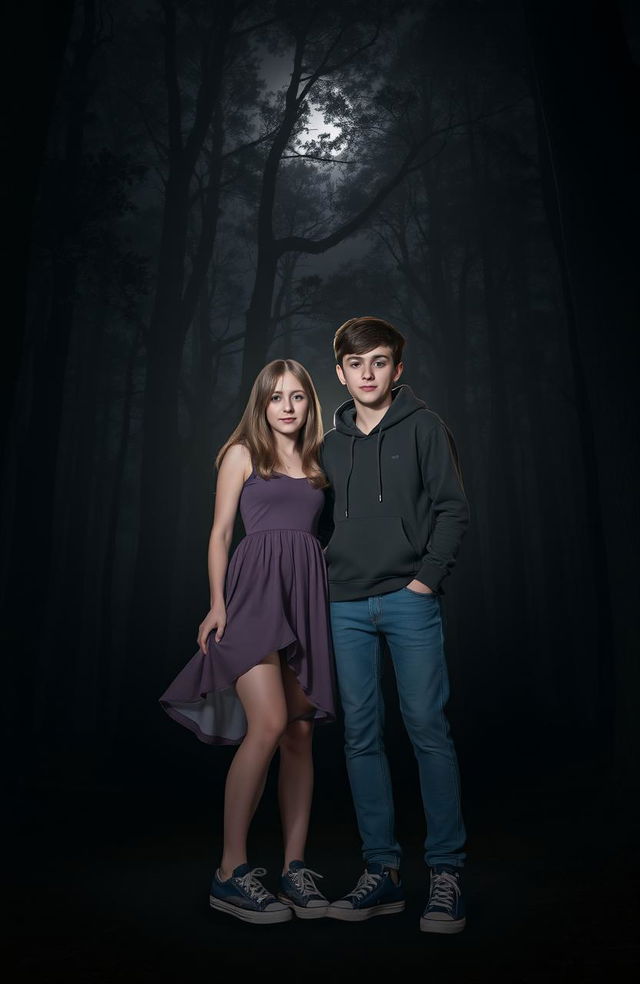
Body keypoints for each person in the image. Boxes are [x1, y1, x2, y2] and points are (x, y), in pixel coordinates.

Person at [159, 359, 336, 925]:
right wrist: (217, 603)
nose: (287, 407)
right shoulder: (242, 454)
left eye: (299, 397)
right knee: (267, 722)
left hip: (307, 597)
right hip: (254, 596)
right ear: (260, 403)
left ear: (311, 403)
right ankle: (230, 872)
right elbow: (219, 534)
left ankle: (293, 868)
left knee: (300, 734)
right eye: (276, 397)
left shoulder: (318, 462)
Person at [318, 316, 469, 933]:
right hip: (345, 604)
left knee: (427, 727)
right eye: (357, 364)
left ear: (397, 370)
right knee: (359, 735)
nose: (368, 374)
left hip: (409, 599)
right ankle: (380, 871)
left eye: (380, 362)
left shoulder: (426, 427)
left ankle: (445, 874)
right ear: (341, 373)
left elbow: (453, 508)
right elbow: (311, 520)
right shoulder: (326, 445)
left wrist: (425, 580)